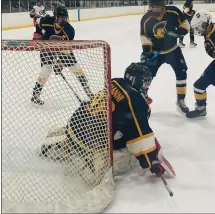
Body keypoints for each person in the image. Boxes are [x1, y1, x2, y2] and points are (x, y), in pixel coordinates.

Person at [40, 63, 175, 182]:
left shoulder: (116, 82)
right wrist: (151, 161)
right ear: (135, 81)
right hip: (91, 139)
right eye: (146, 83)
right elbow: (139, 135)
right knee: (126, 150)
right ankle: (87, 159)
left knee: (120, 126)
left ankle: (67, 146)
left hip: (76, 123)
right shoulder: (134, 100)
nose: (147, 87)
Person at [31, 5, 93, 105]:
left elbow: (66, 49)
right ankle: (35, 94)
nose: (64, 20)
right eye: (61, 18)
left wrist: (60, 62)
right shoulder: (46, 21)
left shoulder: (69, 30)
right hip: (47, 47)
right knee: (46, 69)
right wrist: (38, 36)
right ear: (55, 17)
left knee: (75, 68)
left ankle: (88, 92)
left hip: (63, 48)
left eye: (65, 17)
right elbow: (37, 23)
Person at [140, 0, 190, 113]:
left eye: (157, 6)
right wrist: (146, 51)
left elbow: (185, 23)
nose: (154, 9)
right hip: (156, 52)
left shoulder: (173, 11)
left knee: (182, 71)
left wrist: (179, 31)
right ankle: (143, 98)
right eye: (152, 6)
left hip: (173, 50)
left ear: (163, 6)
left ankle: (180, 100)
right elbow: (144, 36)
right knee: (147, 75)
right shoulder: (146, 19)